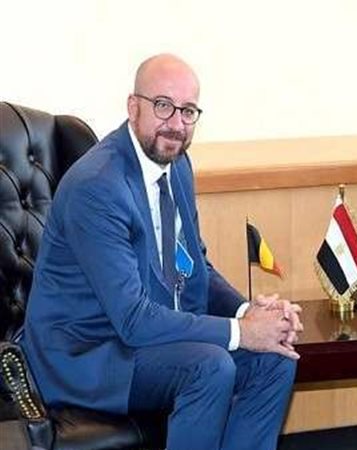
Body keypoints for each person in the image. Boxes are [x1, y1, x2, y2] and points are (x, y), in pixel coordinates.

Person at [21, 54, 303, 450]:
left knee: (273, 360)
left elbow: (194, 266)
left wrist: (248, 313)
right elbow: (133, 320)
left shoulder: (177, 164)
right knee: (210, 367)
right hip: (88, 355)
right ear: (133, 107)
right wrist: (242, 332)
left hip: (143, 342)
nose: (176, 124)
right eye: (163, 106)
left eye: (188, 111)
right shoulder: (97, 186)